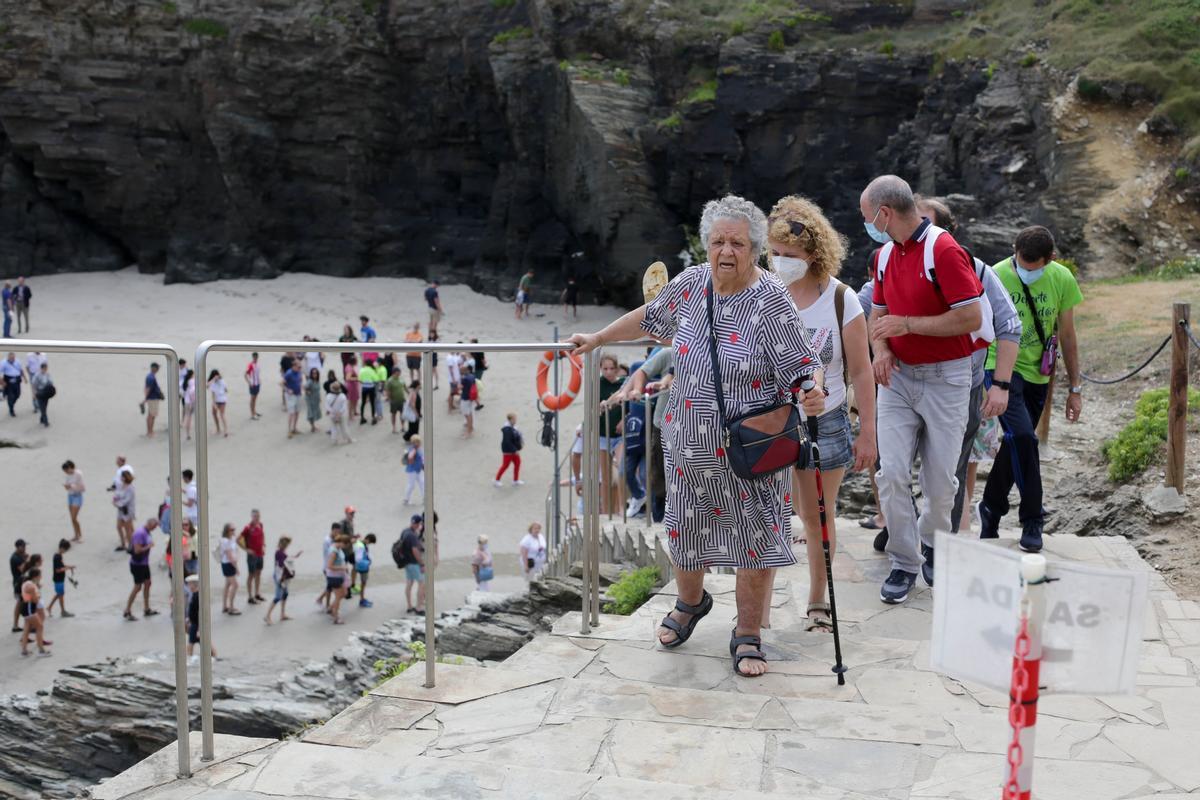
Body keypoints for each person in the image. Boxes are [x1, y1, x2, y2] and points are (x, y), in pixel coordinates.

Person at [568, 194, 824, 677]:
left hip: (751, 446)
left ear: (753, 249)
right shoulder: (688, 286)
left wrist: (812, 392)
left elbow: (803, 365)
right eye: (718, 241)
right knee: (683, 532)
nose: (726, 251)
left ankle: (747, 632)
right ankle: (691, 602)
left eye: (738, 243)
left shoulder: (771, 299)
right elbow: (648, 319)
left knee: (755, 537)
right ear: (707, 245)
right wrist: (599, 338)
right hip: (687, 441)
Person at [862, 175, 986, 602]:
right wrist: (880, 349)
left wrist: (909, 325)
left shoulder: (944, 249)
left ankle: (933, 541)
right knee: (891, 473)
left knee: (939, 483)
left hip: (946, 379)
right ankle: (903, 562)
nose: (868, 225)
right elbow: (878, 316)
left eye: (868, 218)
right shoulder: (883, 256)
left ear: (885, 213)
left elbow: (971, 318)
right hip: (896, 379)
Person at [759, 195, 877, 631]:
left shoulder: (843, 301)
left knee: (816, 515)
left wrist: (868, 434)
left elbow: (862, 374)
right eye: (774, 254)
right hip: (767, 420)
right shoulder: (761, 294)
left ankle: (818, 600)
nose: (781, 262)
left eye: (790, 255)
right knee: (764, 515)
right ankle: (759, 609)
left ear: (814, 253)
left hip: (824, 420)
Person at [913, 196, 1023, 539]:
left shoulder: (976, 271)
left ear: (949, 232)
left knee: (951, 471)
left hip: (963, 388)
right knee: (893, 467)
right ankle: (904, 534)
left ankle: (941, 545)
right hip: (904, 384)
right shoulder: (894, 262)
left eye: (926, 225)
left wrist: (1000, 385)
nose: (917, 233)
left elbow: (1009, 325)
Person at [979, 225, 1084, 552]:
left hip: (1039, 375)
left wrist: (1075, 387)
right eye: (1020, 263)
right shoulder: (995, 275)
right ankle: (1032, 518)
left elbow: (1067, 335)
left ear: (1050, 259)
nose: (1024, 270)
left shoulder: (1061, 278)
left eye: (1032, 266)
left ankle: (990, 509)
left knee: (1016, 444)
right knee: (1024, 437)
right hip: (1000, 368)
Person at [596, 355, 626, 514]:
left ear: (616, 368)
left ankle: (622, 507)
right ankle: (606, 511)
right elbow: (592, 409)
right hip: (603, 435)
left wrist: (625, 419)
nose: (608, 372)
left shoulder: (623, 384)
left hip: (620, 435)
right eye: (605, 369)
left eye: (611, 368)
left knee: (621, 470)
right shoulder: (597, 384)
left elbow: (631, 406)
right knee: (606, 477)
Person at [123, 518, 159, 620]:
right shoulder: (140, 533)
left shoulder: (146, 532)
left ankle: (146, 608)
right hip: (137, 564)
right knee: (138, 587)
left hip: (144, 564)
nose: (155, 529)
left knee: (148, 583)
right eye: (155, 526)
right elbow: (137, 550)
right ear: (150, 524)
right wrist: (149, 546)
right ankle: (127, 609)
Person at [263, 536, 299, 624]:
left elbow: (285, 560)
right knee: (278, 596)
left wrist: (295, 556)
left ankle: (282, 614)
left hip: (281, 576)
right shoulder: (280, 553)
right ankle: (267, 616)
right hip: (280, 577)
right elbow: (282, 565)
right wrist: (282, 579)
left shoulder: (280, 552)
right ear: (284, 545)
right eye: (287, 544)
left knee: (285, 594)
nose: (287, 546)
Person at [397, 515, 426, 614]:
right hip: (413, 562)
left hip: (406, 562)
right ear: (418, 524)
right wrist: (422, 564)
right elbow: (415, 551)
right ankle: (419, 607)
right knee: (421, 583)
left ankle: (409, 606)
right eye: (420, 524)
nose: (420, 526)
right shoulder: (412, 536)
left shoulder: (405, 531)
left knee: (409, 582)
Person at [19, 568, 50, 657]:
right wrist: (38, 596)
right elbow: (35, 600)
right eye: (40, 575)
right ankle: (41, 650)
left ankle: (24, 651)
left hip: (26, 608)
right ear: (36, 576)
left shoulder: (27, 583)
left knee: (27, 629)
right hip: (29, 609)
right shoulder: (31, 586)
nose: (41, 577)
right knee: (39, 626)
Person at [239, 509, 267, 605]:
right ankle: (250, 597)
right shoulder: (248, 528)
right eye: (255, 516)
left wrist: (263, 544)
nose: (257, 518)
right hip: (252, 556)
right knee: (251, 575)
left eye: (258, 516)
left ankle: (257, 593)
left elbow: (262, 535)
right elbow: (238, 539)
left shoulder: (261, 524)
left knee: (258, 573)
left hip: (260, 554)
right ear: (252, 517)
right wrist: (247, 550)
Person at [324, 533, 350, 624]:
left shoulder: (337, 547)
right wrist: (343, 568)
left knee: (344, 593)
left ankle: (330, 608)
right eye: (345, 545)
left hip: (338, 576)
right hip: (334, 576)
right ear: (342, 542)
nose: (345, 547)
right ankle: (336, 617)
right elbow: (329, 566)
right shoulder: (334, 551)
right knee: (339, 596)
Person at [494, 413, 524, 487]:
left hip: (513, 450)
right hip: (508, 451)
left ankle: (515, 480)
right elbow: (507, 442)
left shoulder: (513, 428)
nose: (515, 420)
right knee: (505, 465)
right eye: (514, 419)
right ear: (510, 420)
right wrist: (515, 450)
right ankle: (496, 480)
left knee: (517, 463)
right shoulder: (507, 430)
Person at [46, 539, 75, 618]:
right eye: (66, 549)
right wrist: (68, 568)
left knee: (59, 594)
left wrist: (69, 567)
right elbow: (58, 570)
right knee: (61, 594)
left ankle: (49, 607)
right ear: (62, 548)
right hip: (58, 579)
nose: (66, 551)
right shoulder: (57, 557)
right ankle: (63, 611)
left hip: (59, 578)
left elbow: (62, 566)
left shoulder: (58, 556)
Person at [217, 523, 241, 615]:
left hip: (230, 564)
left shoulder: (232, 539)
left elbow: (236, 549)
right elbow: (229, 556)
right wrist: (237, 568)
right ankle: (231, 607)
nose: (233, 531)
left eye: (234, 529)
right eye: (231, 530)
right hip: (228, 564)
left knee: (227, 585)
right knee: (235, 585)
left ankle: (224, 606)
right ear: (226, 531)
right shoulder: (225, 541)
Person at [112, 469, 136, 553]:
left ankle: (131, 545)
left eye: (122, 476)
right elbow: (117, 494)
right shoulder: (122, 485)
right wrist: (115, 498)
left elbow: (127, 500)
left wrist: (117, 503)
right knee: (119, 527)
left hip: (127, 511)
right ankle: (123, 543)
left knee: (128, 529)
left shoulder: (131, 488)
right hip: (121, 510)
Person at [61, 460, 85, 542]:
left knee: (74, 518)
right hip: (70, 496)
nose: (66, 472)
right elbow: (67, 487)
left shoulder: (78, 474)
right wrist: (66, 486)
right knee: (72, 518)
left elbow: (82, 488)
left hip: (77, 496)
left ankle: (80, 535)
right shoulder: (67, 476)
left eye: (67, 470)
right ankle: (76, 535)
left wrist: (71, 485)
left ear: (71, 467)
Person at [143, 362, 165, 438]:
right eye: (157, 367)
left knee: (151, 415)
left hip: (152, 398)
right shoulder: (151, 377)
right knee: (151, 416)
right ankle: (150, 432)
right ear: (154, 368)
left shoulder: (150, 376)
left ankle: (150, 431)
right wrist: (145, 399)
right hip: (152, 399)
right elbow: (147, 389)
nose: (158, 369)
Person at [353, 533, 376, 608]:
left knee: (363, 584)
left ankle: (362, 599)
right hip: (363, 567)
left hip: (359, 566)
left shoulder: (359, 543)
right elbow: (358, 559)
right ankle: (362, 600)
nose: (369, 544)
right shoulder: (361, 546)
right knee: (363, 583)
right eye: (370, 542)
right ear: (368, 539)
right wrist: (368, 562)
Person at [10, 538, 28, 633]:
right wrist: (27, 560)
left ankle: (16, 625)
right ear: (18, 547)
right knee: (21, 604)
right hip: (19, 584)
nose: (25, 548)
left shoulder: (18, 556)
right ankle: (18, 625)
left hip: (20, 582)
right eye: (23, 546)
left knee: (20, 603)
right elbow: (23, 570)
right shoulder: (15, 558)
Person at [402, 435, 426, 504]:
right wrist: (413, 451)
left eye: (418, 442)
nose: (417, 443)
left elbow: (423, 458)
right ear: (412, 442)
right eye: (415, 442)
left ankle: (425, 498)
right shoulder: (411, 449)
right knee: (411, 485)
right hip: (412, 470)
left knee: (422, 483)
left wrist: (423, 465)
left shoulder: (420, 449)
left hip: (418, 469)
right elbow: (410, 458)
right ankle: (406, 499)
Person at [283, 360, 303, 438]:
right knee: (291, 413)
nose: (300, 368)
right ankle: (289, 431)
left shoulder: (299, 372)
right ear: (294, 366)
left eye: (300, 367)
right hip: (291, 396)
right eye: (299, 367)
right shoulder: (289, 373)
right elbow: (281, 383)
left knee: (297, 412)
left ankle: (294, 428)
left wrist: (301, 387)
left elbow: (300, 380)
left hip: (298, 394)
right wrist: (288, 390)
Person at [358, 358, 381, 425]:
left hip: (364, 388)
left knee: (363, 403)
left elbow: (359, 379)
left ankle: (362, 418)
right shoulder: (372, 370)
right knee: (372, 403)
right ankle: (373, 418)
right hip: (371, 388)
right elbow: (376, 380)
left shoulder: (362, 370)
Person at [207, 369, 230, 437]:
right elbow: (226, 390)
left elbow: (209, 388)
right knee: (222, 415)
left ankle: (218, 429)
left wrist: (213, 379)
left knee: (215, 414)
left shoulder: (213, 383)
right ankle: (225, 430)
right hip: (223, 399)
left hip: (217, 400)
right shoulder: (222, 381)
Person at [30, 361, 53, 426]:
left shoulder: (47, 374)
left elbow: (51, 382)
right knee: (42, 407)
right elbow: (33, 385)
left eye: (46, 368)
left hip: (46, 393)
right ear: (41, 368)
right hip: (39, 392)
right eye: (44, 368)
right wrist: (34, 394)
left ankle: (41, 419)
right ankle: (46, 422)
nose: (45, 369)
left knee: (44, 407)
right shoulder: (37, 375)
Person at [386, 368, 408, 434]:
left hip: (402, 400)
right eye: (398, 373)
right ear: (394, 373)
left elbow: (405, 387)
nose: (399, 374)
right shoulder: (390, 381)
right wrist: (389, 400)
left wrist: (409, 393)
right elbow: (388, 391)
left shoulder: (401, 379)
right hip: (394, 401)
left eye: (399, 373)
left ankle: (403, 427)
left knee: (402, 414)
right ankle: (394, 428)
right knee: (394, 414)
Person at [2, 352, 23, 416]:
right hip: (8, 381)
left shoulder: (18, 361)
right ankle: (11, 409)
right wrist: (2, 382)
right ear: (8, 357)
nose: (12, 359)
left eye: (13, 358)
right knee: (10, 396)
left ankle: (11, 404)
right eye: (11, 358)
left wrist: (24, 378)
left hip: (17, 380)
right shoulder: (3, 363)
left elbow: (20, 369)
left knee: (18, 394)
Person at [460, 364, 478, 437]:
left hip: (465, 398)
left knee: (467, 414)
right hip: (471, 397)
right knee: (470, 413)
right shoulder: (472, 376)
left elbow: (460, 387)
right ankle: (470, 427)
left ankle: (469, 430)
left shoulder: (464, 379)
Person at [244, 352, 263, 420]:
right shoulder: (250, 365)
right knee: (252, 399)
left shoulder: (257, 365)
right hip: (253, 384)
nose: (255, 358)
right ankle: (252, 414)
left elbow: (257, 374)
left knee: (255, 399)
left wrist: (259, 380)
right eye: (254, 357)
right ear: (253, 357)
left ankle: (254, 411)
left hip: (257, 384)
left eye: (256, 357)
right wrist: (249, 383)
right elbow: (245, 375)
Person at [304, 367, 323, 432]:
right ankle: (312, 427)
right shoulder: (310, 381)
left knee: (314, 411)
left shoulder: (317, 381)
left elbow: (318, 390)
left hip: (315, 398)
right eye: (313, 373)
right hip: (310, 399)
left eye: (316, 373)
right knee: (311, 412)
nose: (314, 375)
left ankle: (313, 426)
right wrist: (307, 392)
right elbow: (304, 387)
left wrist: (319, 397)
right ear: (311, 374)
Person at [343, 355, 361, 422]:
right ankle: (350, 415)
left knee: (355, 400)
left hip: (353, 386)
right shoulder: (350, 368)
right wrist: (357, 378)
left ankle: (354, 412)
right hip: (351, 387)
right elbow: (348, 378)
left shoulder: (349, 366)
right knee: (351, 401)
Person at [181, 369, 197, 440]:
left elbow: (182, 392)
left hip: (186, 401)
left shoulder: (185, 381)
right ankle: (189, 433)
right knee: (190, 418)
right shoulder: (192, 381)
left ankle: (188, 434)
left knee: (188, 417)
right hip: (191, 402)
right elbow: (192, 391)